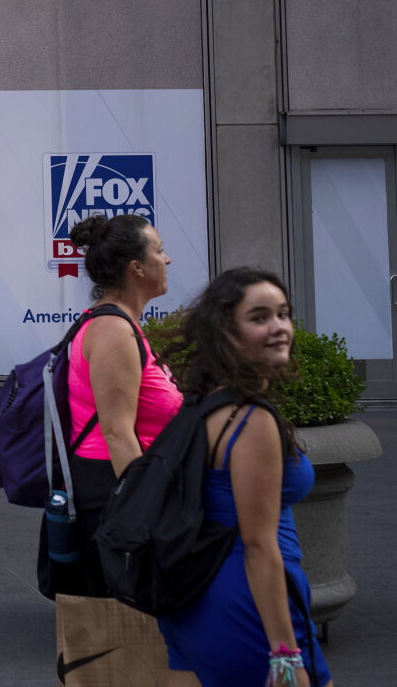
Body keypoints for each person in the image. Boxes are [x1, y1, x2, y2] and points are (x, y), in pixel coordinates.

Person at [157, 267, 331, 687]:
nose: (279, 328)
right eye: (259, 318)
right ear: (225, 332)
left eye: (283, 314)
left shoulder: (207, 403)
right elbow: (258, 546)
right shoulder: (249, 419)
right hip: (248, 601)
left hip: (191, 594)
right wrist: (285, 655)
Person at [40, 212, 184, 597]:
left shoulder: (122, 324)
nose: (167, 259)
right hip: (110, 489)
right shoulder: (113, 332)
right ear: (137, 268)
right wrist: (144, 514)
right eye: (160, 251)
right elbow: (118, 432)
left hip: (118, 485)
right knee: (111, 635)